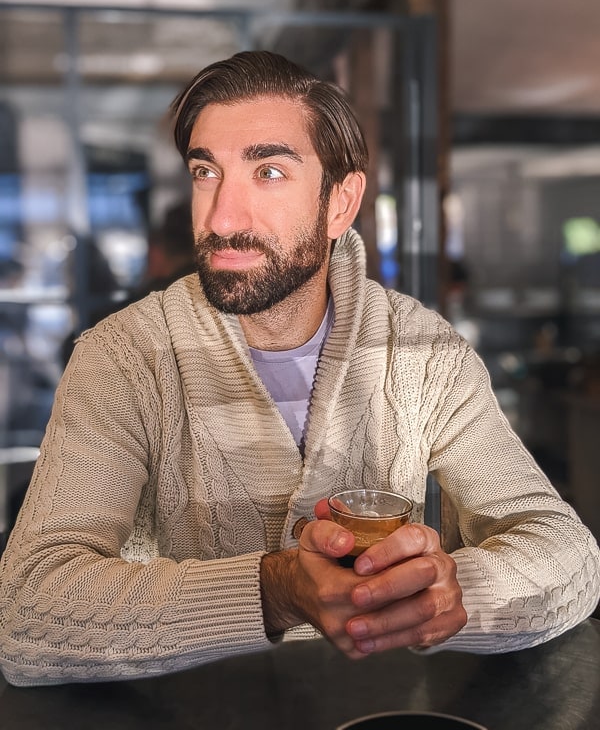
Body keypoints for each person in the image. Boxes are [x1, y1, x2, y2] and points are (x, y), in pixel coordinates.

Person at [0, 51, 598, 687]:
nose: (222, 217)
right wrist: (274, 588)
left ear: (341, 202)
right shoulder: (126, 356)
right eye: (206, 172)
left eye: (269, 172)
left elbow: (568, 556)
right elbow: (27, 617)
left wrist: (450, 596)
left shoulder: (424, 352)